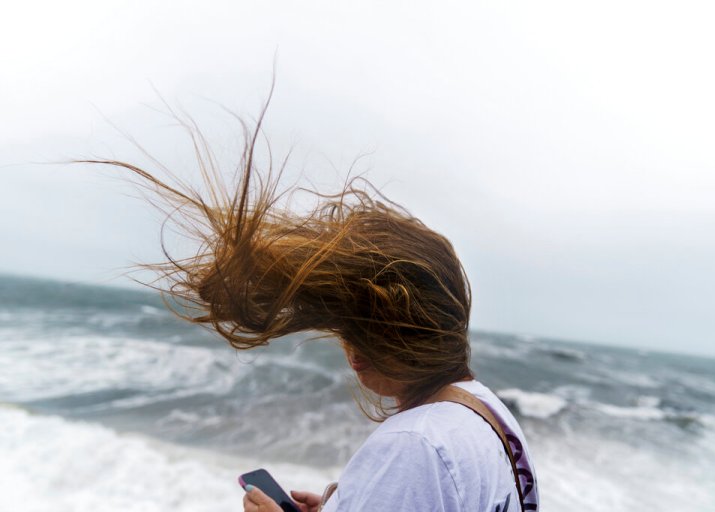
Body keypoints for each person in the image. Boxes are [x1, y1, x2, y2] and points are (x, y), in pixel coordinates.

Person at [88, 106, 538, 511]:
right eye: (348, 329)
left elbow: (424, 477)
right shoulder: (489, 416)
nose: (351, 351)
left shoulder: (413, 446)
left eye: (361, 331)